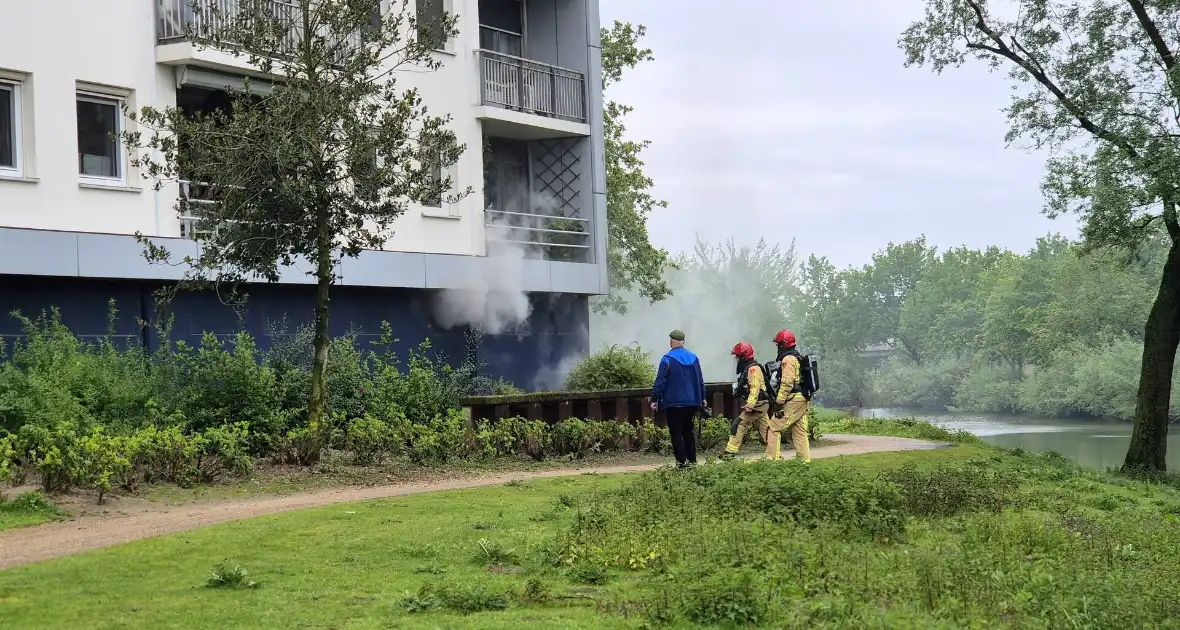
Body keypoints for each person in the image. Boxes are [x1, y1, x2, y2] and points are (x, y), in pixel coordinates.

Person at [650, 329, 707, 468]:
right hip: (691, 402)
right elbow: (700, 380)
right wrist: (703, 398)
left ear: (671, 342)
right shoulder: (694, 358)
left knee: (676, 432)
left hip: (673, 402)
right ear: (683, 342)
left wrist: (654, 399)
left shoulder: (667, 359)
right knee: (688, 431)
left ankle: (681, 462)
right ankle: (692, 461)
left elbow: (661, 381)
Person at [721, 341, 770, 460]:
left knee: (738, 424)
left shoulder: (753, 369)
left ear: (744, 356)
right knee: (766, 429)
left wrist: (750, 404)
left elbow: (755, 387)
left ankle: (731, 453)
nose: (737, 359)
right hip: (761, 404)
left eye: (738, 356)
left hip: (758, 404)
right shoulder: (750, 367)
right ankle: (774, 453)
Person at [768, 329, 811, 462]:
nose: (777, 347)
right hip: (802, 398)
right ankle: (804, 462)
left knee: (774, 427)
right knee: (799, 431)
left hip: (794, 400)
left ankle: (771, 461)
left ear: (783, 344)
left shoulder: (788, 359)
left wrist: (779, 402)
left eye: (778, 344)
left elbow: (787, 382)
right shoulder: (797, 357)